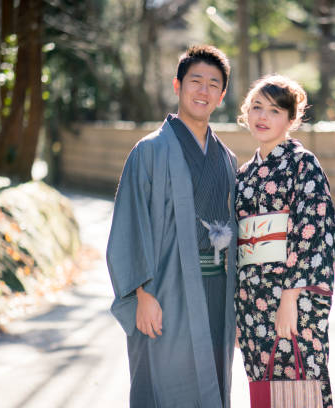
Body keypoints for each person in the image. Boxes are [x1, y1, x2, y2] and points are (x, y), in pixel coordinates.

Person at [106, 45, 237, 408]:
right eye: (195, 81)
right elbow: (129, 225)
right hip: (165, 290)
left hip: (216, 291)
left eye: (213, 84)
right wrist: (141, 293)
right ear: (177, 86)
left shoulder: (226, 157)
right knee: (166, 385)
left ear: (222, 95)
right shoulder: (149, 151)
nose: (203, 91)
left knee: (211, 383)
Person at [235, 75, 335, 408]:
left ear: (292, 119)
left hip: (291, 296)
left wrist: (290, 298)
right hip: (252, 298)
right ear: (245, 112)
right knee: (263, 386)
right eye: (257, 107)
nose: (263, 117)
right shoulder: (244, 174)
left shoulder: (303, 165)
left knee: (299, 381)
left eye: (275, 110)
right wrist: (237, 311)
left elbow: (315, 230)